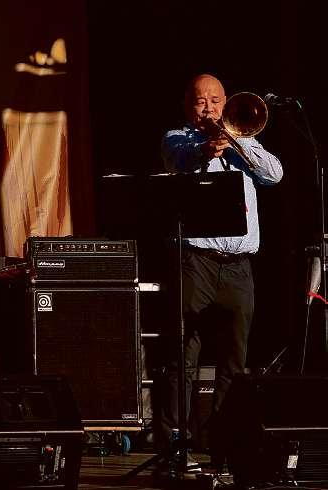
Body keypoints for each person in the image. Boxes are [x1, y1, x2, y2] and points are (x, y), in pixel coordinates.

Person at [158, 74, 283, 466]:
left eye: (215, 100)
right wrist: (205, 150)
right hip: (196, 261)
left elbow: (275, 174)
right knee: (183, 357)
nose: (209, 108)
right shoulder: (178, 138)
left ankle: (223, 445)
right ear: (188, 106)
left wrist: (238, 141)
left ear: (227, 103)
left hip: (239, 266)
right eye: (201, 101)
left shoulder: (246, 141)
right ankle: (175, 444)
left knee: (234, 361)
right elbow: (177, 161)